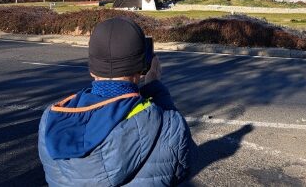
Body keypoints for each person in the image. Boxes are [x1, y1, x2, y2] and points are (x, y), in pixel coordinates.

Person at [38, 17, 196, 186]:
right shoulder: (169, 124)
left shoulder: (51, 119)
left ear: (92, 69)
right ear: (142, 67)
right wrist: (156, 89)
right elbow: (185, 164)